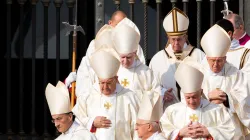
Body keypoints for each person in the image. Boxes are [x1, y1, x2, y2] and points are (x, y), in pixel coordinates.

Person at [75, 10, 145, 97]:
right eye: (117, 26)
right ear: (110, 23)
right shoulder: (96, 44)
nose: (120, 30)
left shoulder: (133, 45)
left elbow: (140, 69)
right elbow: (88, 71)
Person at [72, 50, 140, 140]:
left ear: (116, 79)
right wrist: (92, 122)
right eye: (102, 83)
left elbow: (137, 127)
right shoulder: (88, 96)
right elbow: (78, 121)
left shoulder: (129, 97)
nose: (105, 87)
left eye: (109, 83)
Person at [160, 62, 236, 140]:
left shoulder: (215, 110)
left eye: (194, 97)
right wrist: (179, 133)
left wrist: (209, 132)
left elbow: (229, 130)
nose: (192, 101)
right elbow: (164, 130)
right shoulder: (172, 111)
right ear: (183, 94)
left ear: (201, 92)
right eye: (188, 97)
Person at [149, 7, 205, 110]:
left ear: (185, 37)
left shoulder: (198, 55)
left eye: (179, 39)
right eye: (173, 39)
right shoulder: (157, 59)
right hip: (169, 110)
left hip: (195, 111)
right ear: (168, 37)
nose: (176, 43)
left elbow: (208, 82)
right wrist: (161, 93)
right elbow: (150, 86)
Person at [200, 24, 250, 139]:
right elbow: (188, 96)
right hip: (206, 121)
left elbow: (245, 100)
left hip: (230, 127)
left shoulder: (236, 74)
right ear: (207, 58)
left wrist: (227, 99)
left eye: (219, 61)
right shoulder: (199, 72)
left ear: (225, 59)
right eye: (212, 61)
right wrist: (207, 98)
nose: (215, 65)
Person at [112, 23, 161, 101]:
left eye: (128, 57)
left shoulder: (145, 72)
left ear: (135, 54)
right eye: (122, 57)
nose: (125, 61)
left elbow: (156, 93)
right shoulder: (114, 70)